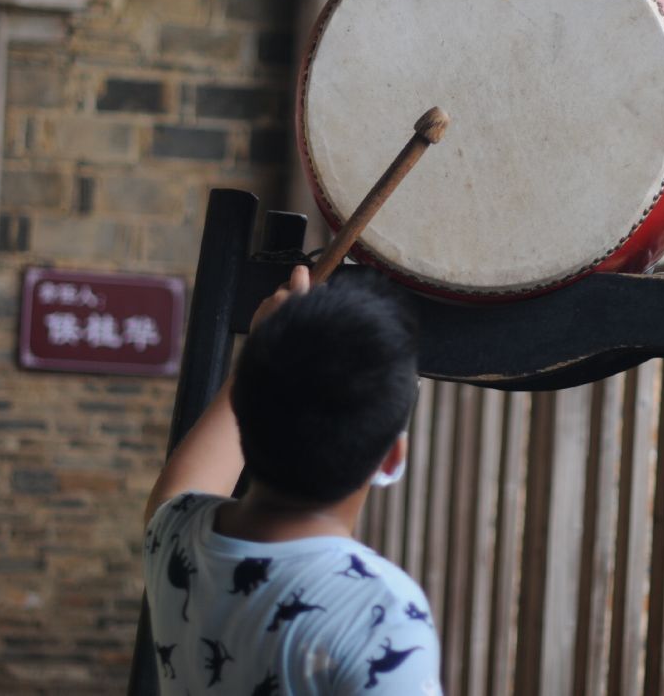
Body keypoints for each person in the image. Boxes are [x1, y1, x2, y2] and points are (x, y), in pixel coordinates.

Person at [142, 265, 442, 694]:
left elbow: (187, 479)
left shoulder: (174, 537)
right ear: (393, 457)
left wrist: (266, 345)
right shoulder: (382, 613)